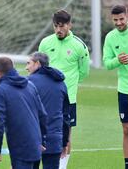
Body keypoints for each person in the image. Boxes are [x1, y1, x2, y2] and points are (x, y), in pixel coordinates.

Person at [38, 9, 90, 169]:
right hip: (46, 99)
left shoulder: (79, 46)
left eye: (62, 26)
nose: (58, 30)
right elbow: (39, 69)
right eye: (56, 26)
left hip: (68, 99)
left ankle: (62, 167)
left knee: (66, 135)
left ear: (69, 25)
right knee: (42, 132)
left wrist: (68, 86)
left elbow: (84, 72)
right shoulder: (45, 43)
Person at [0, 57, 47, 169]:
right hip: (36, 145)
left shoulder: (0, 91)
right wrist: (42, 141)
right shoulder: (30, 85)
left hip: (20, 148)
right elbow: (42, 114)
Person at [102, 5, 128, 169]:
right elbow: (107, 63)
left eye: (121, 19)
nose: (118, 23)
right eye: (115, 20)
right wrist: (118, 60)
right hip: (124, 90)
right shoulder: (110, 37)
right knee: (127, 130)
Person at [26, 52, 70, 169]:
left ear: (37, 63)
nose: (26, 67)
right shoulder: (61, 84)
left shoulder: (28, 83)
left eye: (29, 63)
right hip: (55, 139)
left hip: (33, 140)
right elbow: (66, 116)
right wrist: (64, 142)